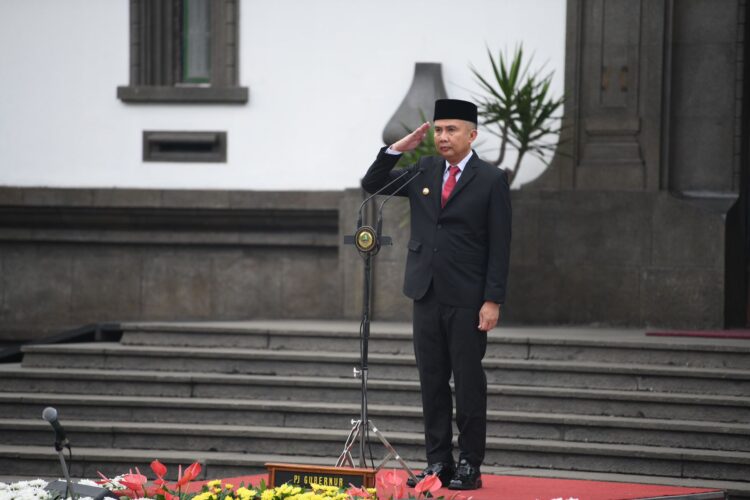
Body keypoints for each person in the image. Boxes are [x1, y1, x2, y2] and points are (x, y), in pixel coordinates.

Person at [361, 99, 511, 490]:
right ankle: (439, 463)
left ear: (472, 135)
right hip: (425, 293)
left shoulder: (491, 180)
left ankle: (469, 465)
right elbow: (372, 183)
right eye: (439, 130)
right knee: (431, 382)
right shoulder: (425, 169)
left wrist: (492, 299)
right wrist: (398, 149)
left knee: (467, 383)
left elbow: (500, 245)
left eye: (452, 130)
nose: (443, 137)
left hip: (467, 298)